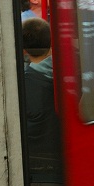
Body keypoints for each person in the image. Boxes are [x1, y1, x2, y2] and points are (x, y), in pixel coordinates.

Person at [22, 17, 62, 176]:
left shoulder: (23, 83)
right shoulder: (67, 71)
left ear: (24, 50)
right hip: (61, 155)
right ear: (52, 44)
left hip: (33, 162)